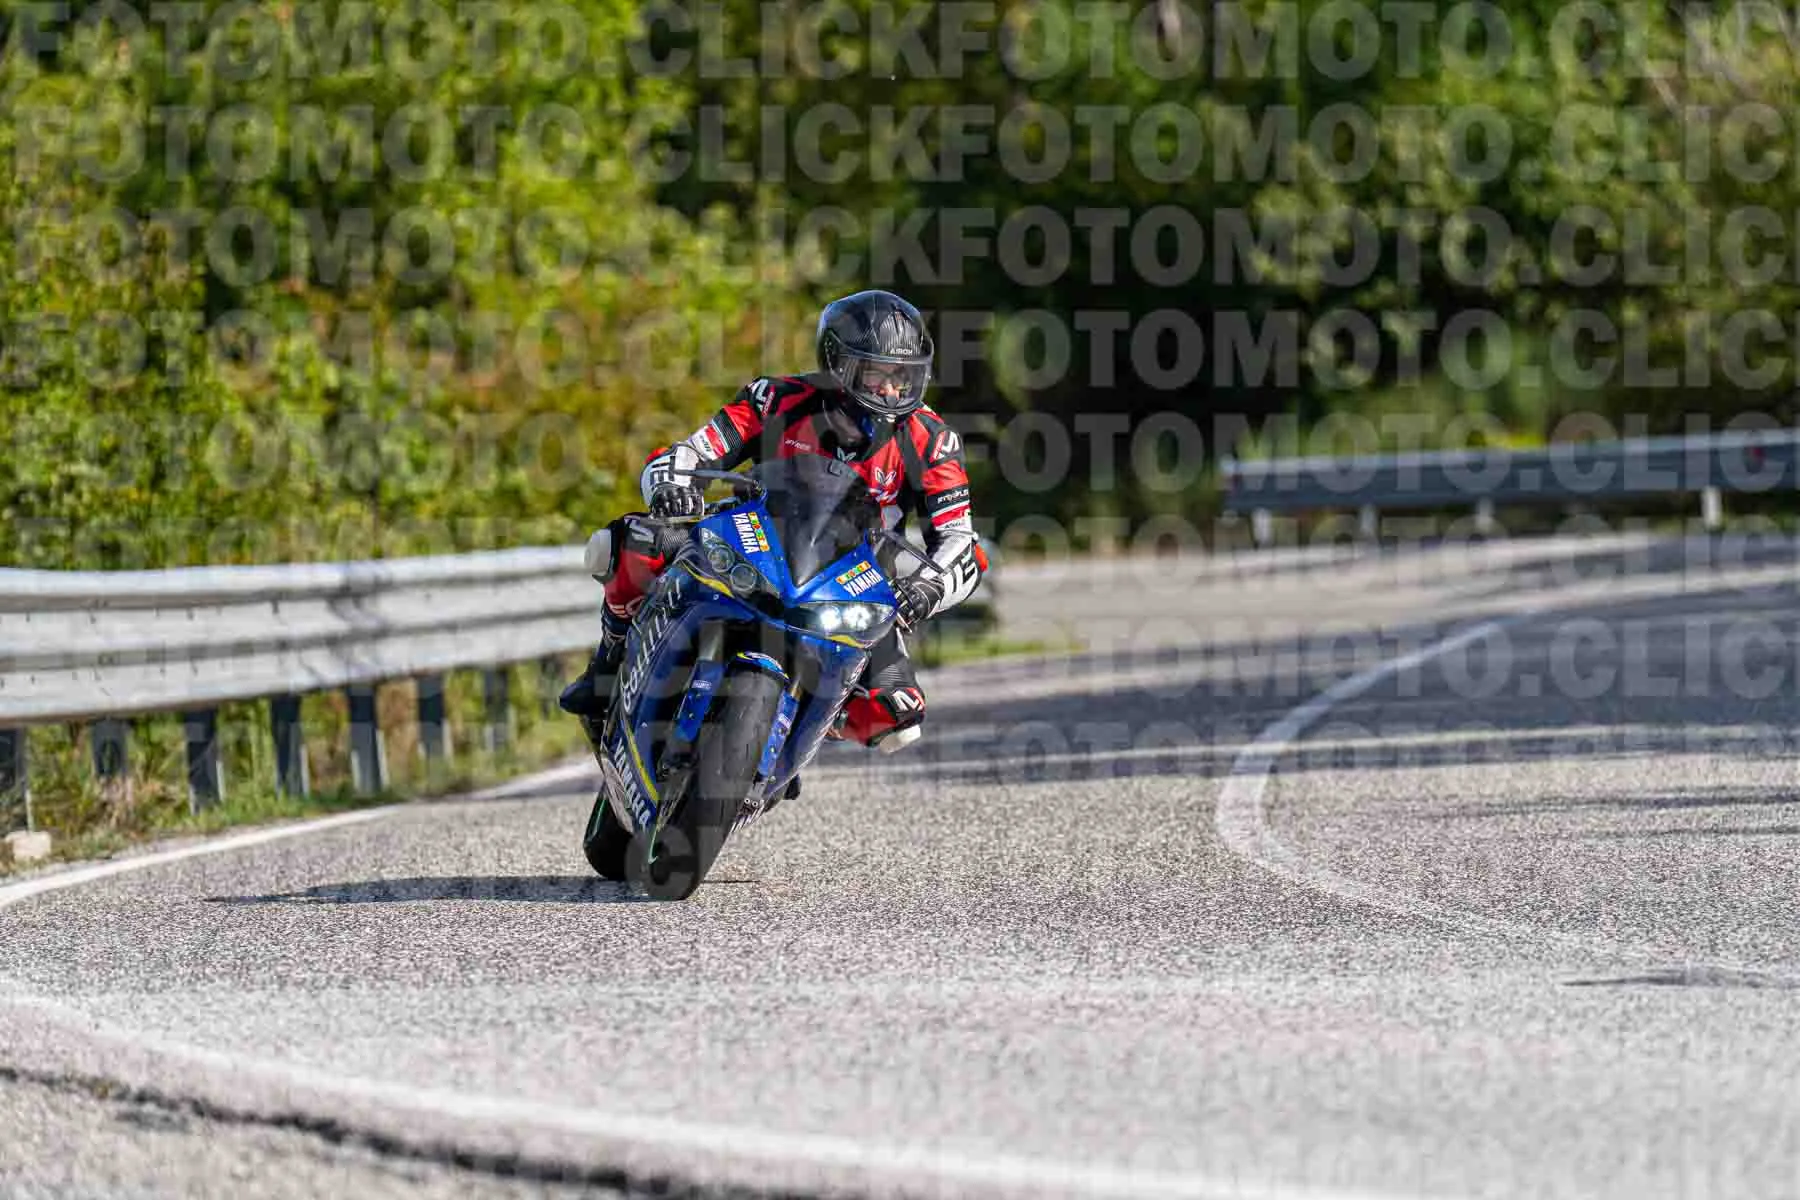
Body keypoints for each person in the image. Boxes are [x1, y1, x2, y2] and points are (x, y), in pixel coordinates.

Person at [559, 289, 989, 754]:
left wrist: (926, 588)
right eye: (875, 373)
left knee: (897, 714)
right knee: (630, 544)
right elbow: (691, 452)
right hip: (750, 546)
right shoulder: (774, 399)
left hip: (854, 584)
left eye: (903, 377)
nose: (890, 390)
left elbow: (960, 540)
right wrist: (672, 488)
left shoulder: (932, 440)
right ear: (837, 364)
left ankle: (792, 738)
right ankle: (608, 665)